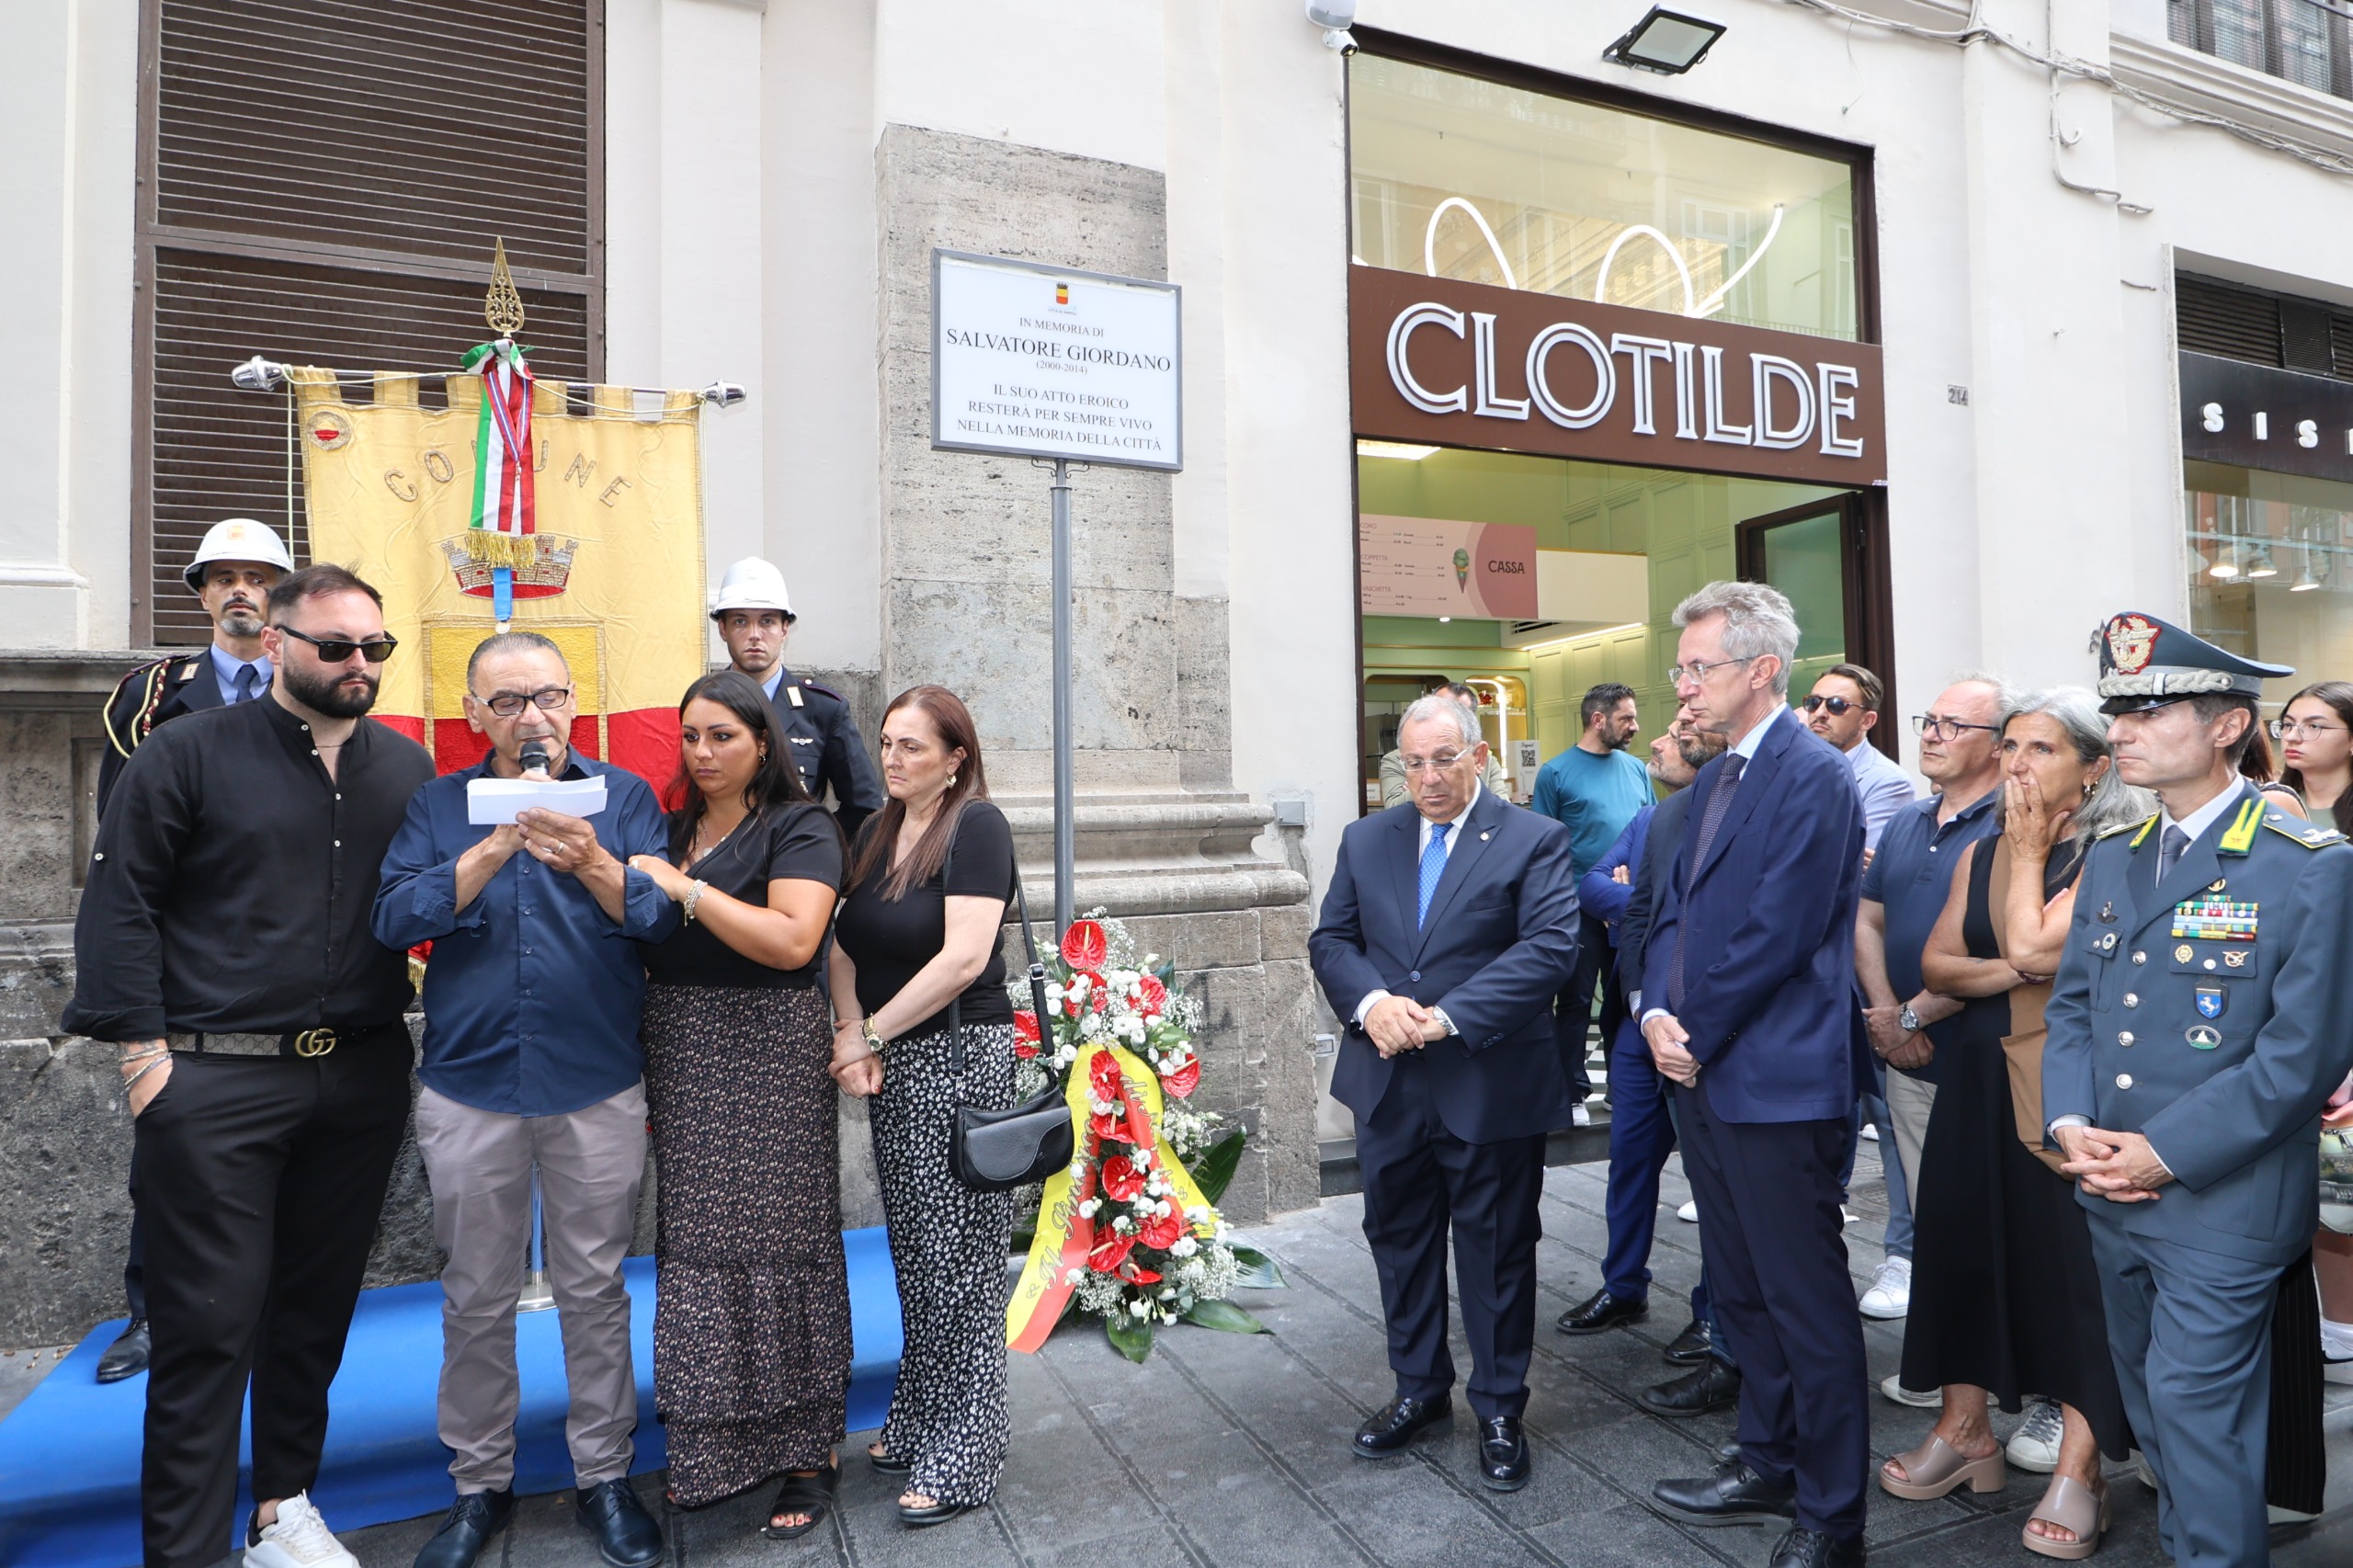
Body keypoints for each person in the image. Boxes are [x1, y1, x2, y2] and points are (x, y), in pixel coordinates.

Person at [63, 563, 433, 1568]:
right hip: (212, 1081)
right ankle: (183, 1551)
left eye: (375, 648)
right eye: (337, 646)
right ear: (276, 643)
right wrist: (143, 1056)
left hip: (357, 1079)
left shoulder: (406, 769)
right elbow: (120, 902)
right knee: (205, 1329)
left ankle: (283, 1509)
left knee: (313, 1317)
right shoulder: (182, 750)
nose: (359, 664)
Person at [2043, 612, 2353, 1568]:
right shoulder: (2116, 854)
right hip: (2108, 1185)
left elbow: (2296, 1057)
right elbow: (2074, 1011)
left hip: (2224, 1195)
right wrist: (2070, 1122)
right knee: (2149, 1401)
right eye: (2115, 710)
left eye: (2150, 708)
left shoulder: (2307, 863)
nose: (2122, 730)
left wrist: (2160, 1151)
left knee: (2194, 1408)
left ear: (2226, 725)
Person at [373, 632, 677, 1568]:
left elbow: (660, 916)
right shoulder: (438, 802)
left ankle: (602, 1473)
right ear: (474, 714)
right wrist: (498, 842)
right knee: (474, 1293)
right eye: (507, 701)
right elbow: (394, 918)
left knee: (593, 1286)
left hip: (594, 1078)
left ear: (573, 699)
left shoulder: (622, 798)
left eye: (546, 696)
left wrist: (589, 858)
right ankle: (479, 1483)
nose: (531, 716)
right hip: (472, 1084)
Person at [1640, 581, 1870, 1568]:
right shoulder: (1713, 778)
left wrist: (1690, 1025)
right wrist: (1655, 1009)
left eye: (1698, 666)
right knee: (1737, 1289)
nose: (1682, 684)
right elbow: (1671, 916)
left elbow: (1779, 930)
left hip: (1771, 1079)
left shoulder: (1810, 775)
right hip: (1701, 1069)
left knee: (1803, 1302)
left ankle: (1830, 1513)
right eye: (1681, 667)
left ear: (1759, 669)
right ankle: (1766, 1457)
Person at [1889, 688, 2146, 1559]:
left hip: (2066, 1087)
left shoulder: (2114, 851)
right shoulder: (1985, 848)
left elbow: (2038, 950)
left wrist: (2030, 876)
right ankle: (1967, 1434)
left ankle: (2082, 1467)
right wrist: (2016, 965)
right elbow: (1935, 963)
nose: (2016, 764)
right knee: (1959, 1248)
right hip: (1974, 1078)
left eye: (2040, 749)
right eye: (2010, 747)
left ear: (2094, 768)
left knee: (2069, 1276)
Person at [1310, 692, 1580, 1494]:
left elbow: (1550, 949)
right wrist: (1372, 1004)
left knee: (1496, 1251)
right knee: (1399, 1240)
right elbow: (1333, 939)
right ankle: (1419, 1391)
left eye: (1443, 760)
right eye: (1412, 763)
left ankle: (1499, 1408)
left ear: (1480, 756)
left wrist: (1447, 1019)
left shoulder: (1534, 838)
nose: (1427, 778)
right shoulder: (1367, 839)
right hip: (1389, 1083)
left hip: (1487, 1082)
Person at [623, 672, 850, 1538]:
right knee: (701, 1246)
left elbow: (795, 942)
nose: (704, 752)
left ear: (763, 741)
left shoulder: (801, 825)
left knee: (783, 1241)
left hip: (771, 1052)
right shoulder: (671, 828)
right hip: (684, 1048)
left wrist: (685, 890)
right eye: (691, 737)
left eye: (722, 735)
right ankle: (715, 1449)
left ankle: (806, 1451)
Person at [91, 514, 295, 1385]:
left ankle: (273, 1312)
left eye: (258, 577)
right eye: (224, 577)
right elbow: (123, 847)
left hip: (287, 953)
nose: (240, 591)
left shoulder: (315, 682)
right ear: (203, 594)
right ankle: (152, 1313)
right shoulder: (149, 697)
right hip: (190, 964)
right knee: (169, 1157)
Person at [826, 685, 1018, 1528]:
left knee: (965, 1264)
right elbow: (841, 941)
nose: (893, 759)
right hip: (895, 1058)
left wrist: (868, 1035)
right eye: (887, 744)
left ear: (955, 759)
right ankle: (923, 1411)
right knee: (915, 1254)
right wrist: (849, 1033)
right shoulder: (874, 828)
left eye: (911, 747)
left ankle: (970, 1446)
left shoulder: (977, 827)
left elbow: (964, 959)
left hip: (960, 1059)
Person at [1852, 675, 2009, 1350]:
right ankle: (1959, 1380)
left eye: (1954, 725)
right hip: (1909, 1062)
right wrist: (1888, 1014)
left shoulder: (2019, 825)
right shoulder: (1909, 820)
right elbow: (1867, 920)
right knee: (1936, 1224)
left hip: (1994, 1064)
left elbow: (2014, 954)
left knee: (2007, 1230)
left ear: (2000, 746)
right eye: (1929, 720)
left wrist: (1910, 1017)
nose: (1932, 734)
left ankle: (2036, 1388)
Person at [1556, 710, 1724, 1343]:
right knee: (1629, 1160)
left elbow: (1707, 912)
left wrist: (1652, 907)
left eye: (1680, 732)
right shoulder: (1652, 818)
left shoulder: (1732, 819)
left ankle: (1714, 1315)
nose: (1660, 739)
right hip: (1635, 1023)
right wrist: (1650, 906)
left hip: (1701, 1028)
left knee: (1711, 1177)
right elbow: (1591, 884)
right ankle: (1623, 1286)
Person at [2276, 682, 2353, 1377]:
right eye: (2288, 722)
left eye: (2317, 724)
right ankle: (2325, 1323)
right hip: (2285, 1024)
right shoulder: (2263, 810)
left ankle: (2346, 1325)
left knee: (2345, 1187)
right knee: (2312, 1187)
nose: (2295, 736)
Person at [1531, 682, 1651, 1124]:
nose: (1635, 726)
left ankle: (1622, 1090)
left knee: (1625, 1001)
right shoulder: (1556, 773)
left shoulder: (1636, 769)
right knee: (1577, 1002)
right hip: (1576, 910)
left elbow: (1648, 832)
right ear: (1598, 719)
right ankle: (1573, 1092)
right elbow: (1543, 849)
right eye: (1626, 718)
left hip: (1628, 907)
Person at [710, 556, 885, 837]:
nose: (755, 635)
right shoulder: (703, 705)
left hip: (793, 873)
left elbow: (864, 809)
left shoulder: (823, 709)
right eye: (740, 621)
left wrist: (813, 848)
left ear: (784, 629)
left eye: (767, 621)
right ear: (723, 629)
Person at [1803, 663, 1919, 849]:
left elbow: (1858, 862)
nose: (1820, 713)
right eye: (1813, 702)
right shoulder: (1791, 768)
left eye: (1837, 705)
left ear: (1867, 720)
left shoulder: (1888, 782)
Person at [1377, 681, 1513, 805]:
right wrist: (1416, 788)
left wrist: (1466, 777)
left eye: (1445, 760)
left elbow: (1501, 808)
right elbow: (1394, 808)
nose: (1431, 779)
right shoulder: (1396, 759)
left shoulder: (1484, 760)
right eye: (1416, 764)